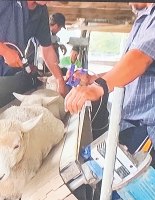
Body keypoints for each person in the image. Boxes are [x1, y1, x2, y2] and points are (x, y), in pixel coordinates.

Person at [65, 3, 155, 152]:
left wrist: (99, 87)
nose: (128, 3)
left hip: (147, 131)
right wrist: (91, 79)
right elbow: (129, 71)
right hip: (130, 123)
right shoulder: (143, 19)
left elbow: (140, 58)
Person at [0, 1, 68, 97]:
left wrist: (59, 79)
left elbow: (47, 49)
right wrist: (5, 52)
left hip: (9, 82)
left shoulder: (41, 11)